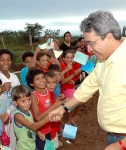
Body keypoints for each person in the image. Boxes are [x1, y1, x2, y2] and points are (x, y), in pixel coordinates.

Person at [49, 10, 126, 150]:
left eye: (91, 43)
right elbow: (88, 87)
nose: (88, 48)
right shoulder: (104, 60)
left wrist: (121, 144)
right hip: (114, 137)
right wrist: (63, 108)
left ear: (109, 37)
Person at [27, 68, 64, 150]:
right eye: (37, 79)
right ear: (31, 84)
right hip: (40, 130)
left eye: (43, 77)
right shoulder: (34, 96)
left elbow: (50, 106)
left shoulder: (46, 90)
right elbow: (38, 117)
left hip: (48, 127)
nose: (42, 80)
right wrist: (54, 106)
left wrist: (59, 99)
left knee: (48, 147)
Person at [11, 85, 49, 150]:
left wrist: (38, 132)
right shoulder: (18, 115)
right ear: (15, 103)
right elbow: (32, 126)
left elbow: (31, 125)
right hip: (23, 148)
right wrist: (48, 118)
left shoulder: (28, 111)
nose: (27, 103)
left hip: (31, 146)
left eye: (29, 99)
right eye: (23, 101)